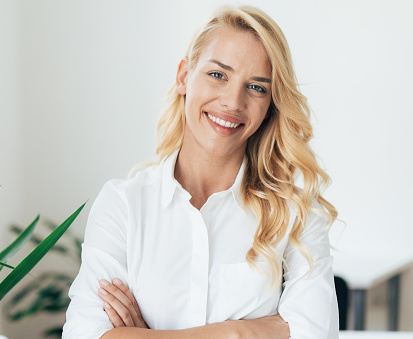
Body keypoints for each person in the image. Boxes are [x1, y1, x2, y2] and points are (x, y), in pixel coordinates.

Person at [63, 5, 339, 339]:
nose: (233, 102)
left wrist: (146, 335)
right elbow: (84, 335)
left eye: (256, 87)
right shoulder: (124, 204)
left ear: (270, 105)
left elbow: (316, 334)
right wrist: (241, 333)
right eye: (218, 75)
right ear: (183, 77)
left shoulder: (296, 213)